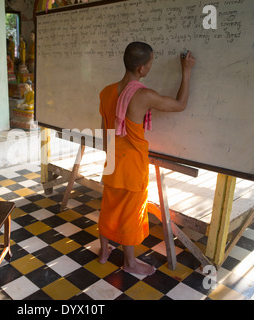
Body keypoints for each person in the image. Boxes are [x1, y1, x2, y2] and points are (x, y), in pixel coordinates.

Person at [98, 42, 196, 276]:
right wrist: (187, 70)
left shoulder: (106, 91)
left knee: (109, 208)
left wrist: (110, 156)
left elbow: (104, 130)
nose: (152, 66)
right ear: (142, 69)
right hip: (132, 164)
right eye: (151, 62)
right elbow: (180, 105)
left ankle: (104, 251)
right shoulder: (143, 95)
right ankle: (130, 262)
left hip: (112, 159)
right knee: (131, 213)